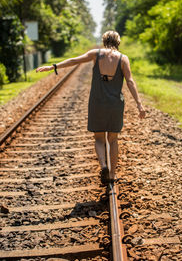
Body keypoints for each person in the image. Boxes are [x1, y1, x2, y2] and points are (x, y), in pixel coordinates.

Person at [36, 31, 145, 184]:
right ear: (118, 42)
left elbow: (74, 60)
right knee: (113, 140)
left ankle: (103, 165)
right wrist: (139, 104)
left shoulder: (96, 54)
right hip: (115, 105)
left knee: (99, 139)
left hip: (97, 103)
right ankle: (112, 174)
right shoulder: (123, 59)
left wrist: (53, 66)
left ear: (104, 41)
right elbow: (130, 82)